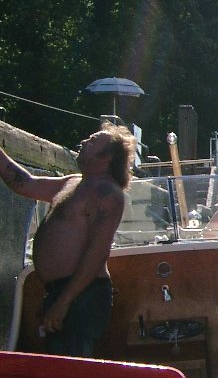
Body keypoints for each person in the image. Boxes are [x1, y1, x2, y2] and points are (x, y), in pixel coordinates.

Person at [0, 122, 134, 356]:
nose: (84, 142)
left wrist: (64, 301)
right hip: (63, 291)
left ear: (107, 157)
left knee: (72, 368)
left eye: (93, 141)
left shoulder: (107, 194)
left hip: (82, 295)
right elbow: (26, 184)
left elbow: (97, 253)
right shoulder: (73, 183)